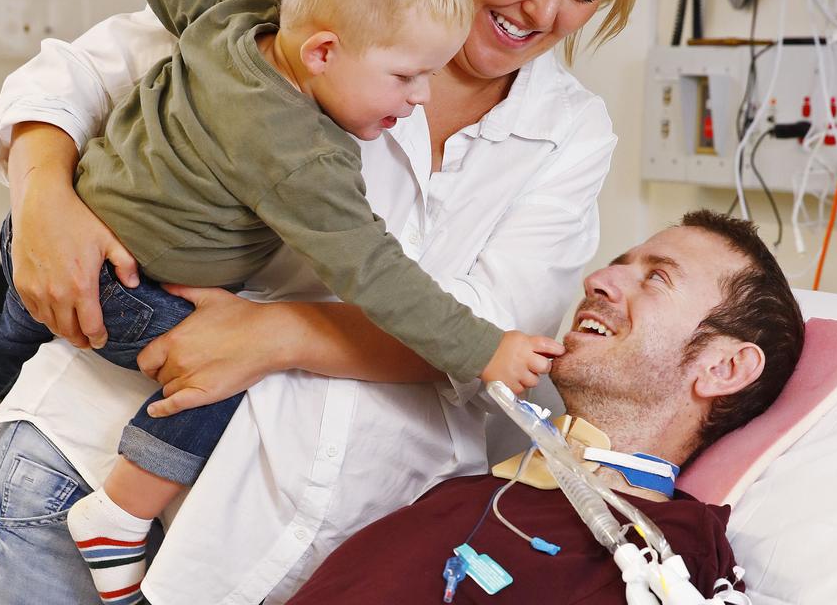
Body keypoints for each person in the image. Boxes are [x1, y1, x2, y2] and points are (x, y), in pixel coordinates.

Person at [0, 0, 659, 603]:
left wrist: (278, 335)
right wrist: (41, 199)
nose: (546, 10)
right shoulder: (293, 7)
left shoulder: (570, 132)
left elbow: (489, 338)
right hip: (85, 464)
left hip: (315, 548)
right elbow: (70, 81)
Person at [287, 210, 805, 603]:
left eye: (657, 278)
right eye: (621, 263)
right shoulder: (468, 492)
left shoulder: (669, 559)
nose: (598, 279)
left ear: (725, 368)